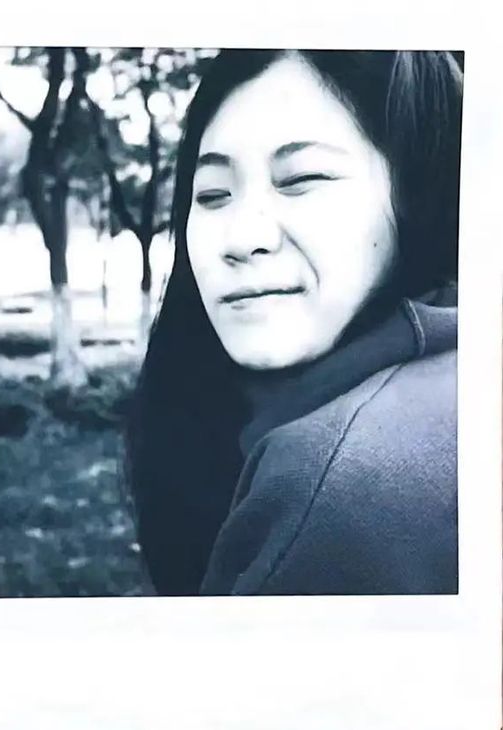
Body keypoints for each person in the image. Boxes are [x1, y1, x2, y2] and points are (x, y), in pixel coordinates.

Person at [126, 49, 462, 596]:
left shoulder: (338, 485)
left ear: (417, 194)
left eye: (301, 178)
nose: (241, 238)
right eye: (212, 194)